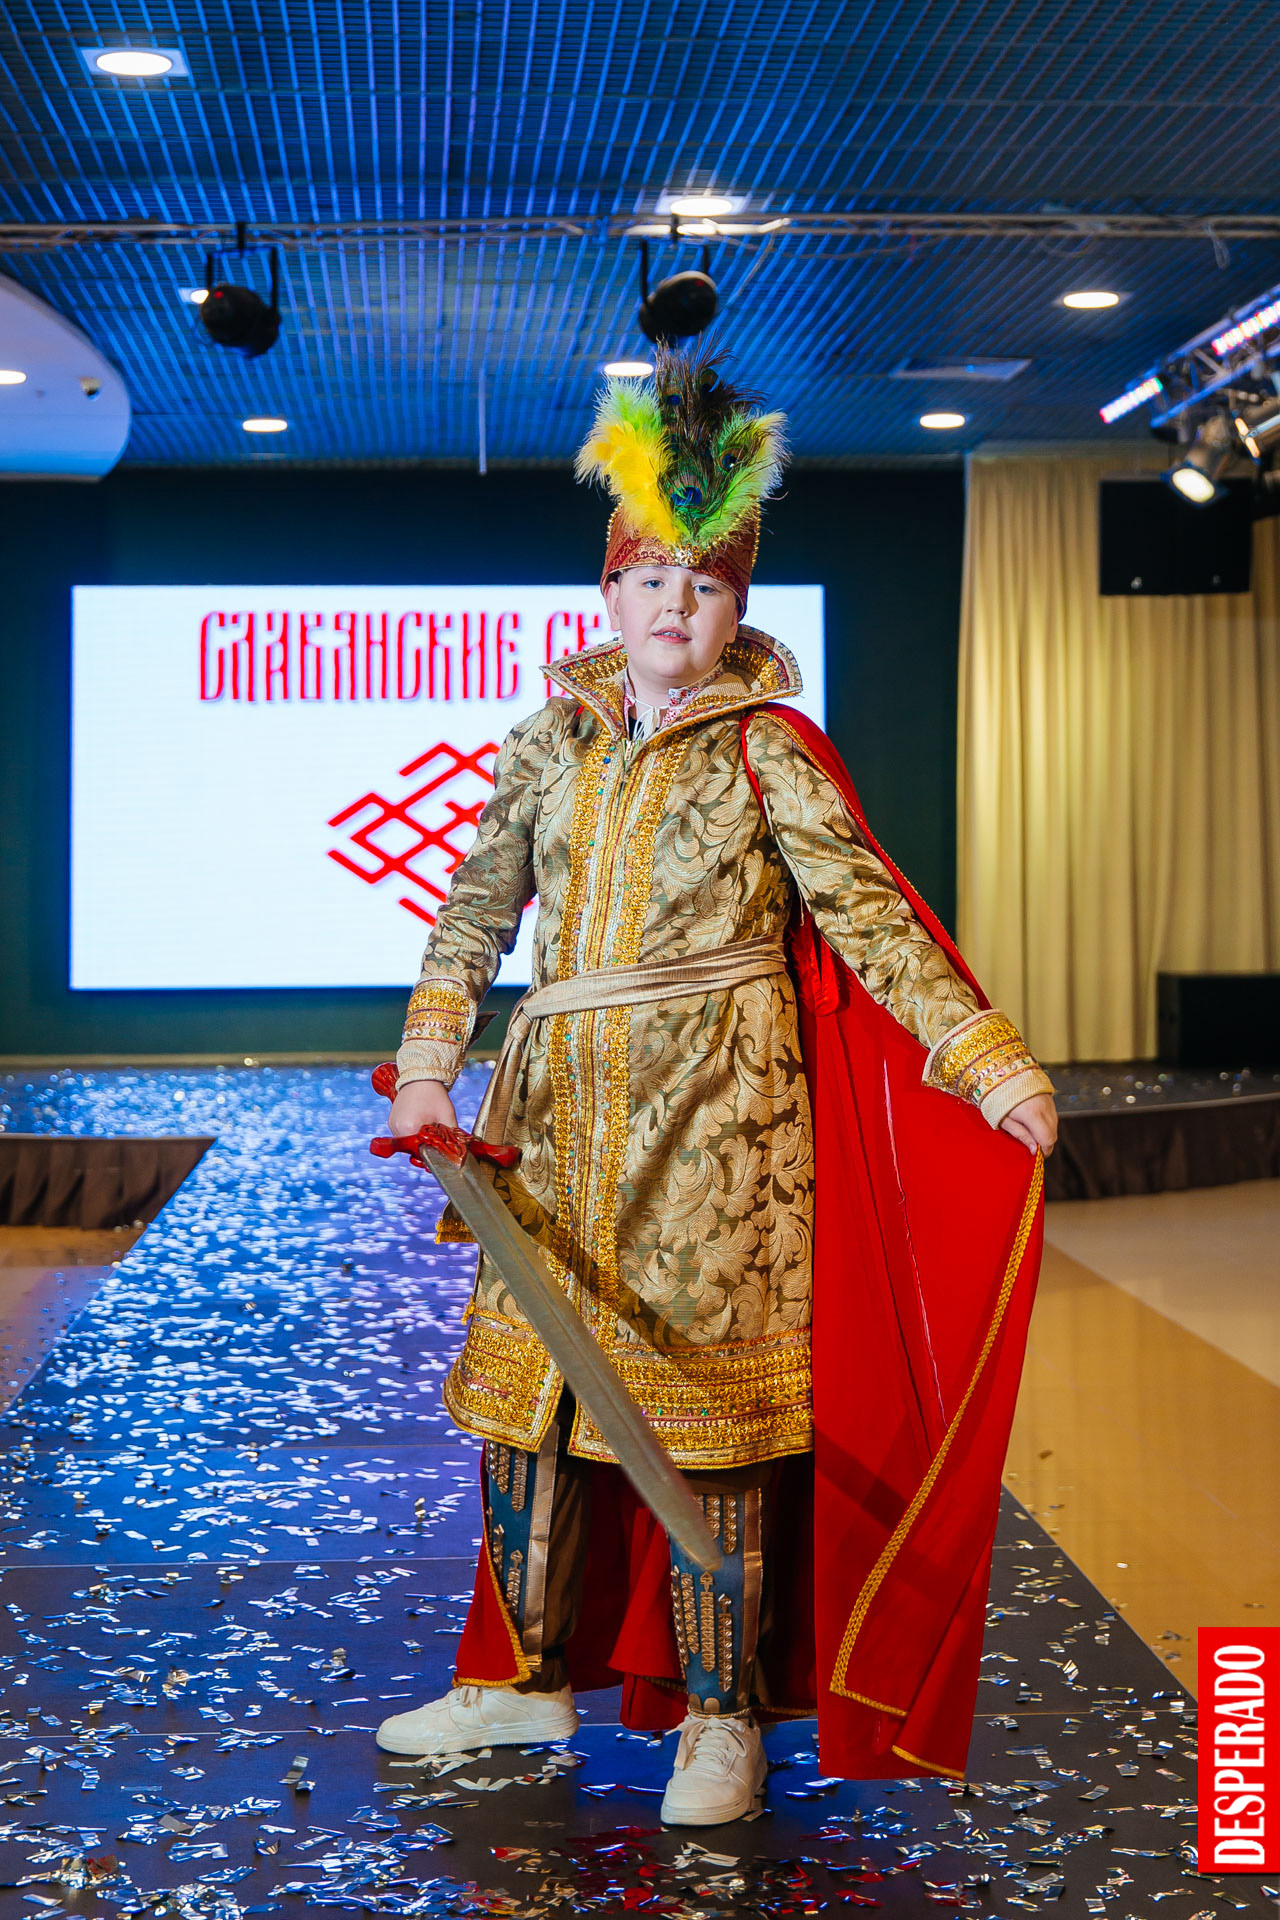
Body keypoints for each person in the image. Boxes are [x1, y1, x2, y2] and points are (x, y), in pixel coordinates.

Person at [374, 344, 1057, 1825]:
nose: (674, 605)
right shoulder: (548, 743)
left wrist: (984, 1062)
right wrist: (430, 1065)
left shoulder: (769, 751)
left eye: (703, 582)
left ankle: (721, 1721)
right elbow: (476, 910)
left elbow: (871, 917)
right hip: (549, 1127)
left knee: (711, 1425)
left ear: (737, 603)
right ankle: (524, 1683)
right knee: (529, 1409)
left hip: (721, 1141)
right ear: (608, 597)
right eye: (649, 580)